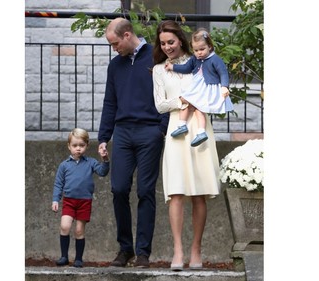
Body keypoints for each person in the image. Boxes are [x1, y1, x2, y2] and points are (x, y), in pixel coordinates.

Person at [98, 18, 169, 268]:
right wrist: (103, 137)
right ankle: (125, 249)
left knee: (145, 192)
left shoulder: (156, 57)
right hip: (123, 133)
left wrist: (161, 129)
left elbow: (170, 93)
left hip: (150, 132)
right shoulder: (114, 66)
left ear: (127, 35)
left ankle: (143, 253)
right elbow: (110, 102)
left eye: (115, 43)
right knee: (118, 189)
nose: (113, 48)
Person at [152, 20, 221, 271]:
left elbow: (213, 90)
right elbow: (160, 104)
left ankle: (196, 250)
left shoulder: (201, 61)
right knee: (177, 192)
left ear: (180, 39)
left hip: (200, 126)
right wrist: (182, 100)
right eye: (163, 43)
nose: (167, 46)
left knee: (199, 192)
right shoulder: (160, 70)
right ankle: (178, 251)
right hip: (175, 128)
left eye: (171, 41)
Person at [164, 28, 234, 147]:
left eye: (202, 49)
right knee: (186, 102)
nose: (199, 53)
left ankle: (198, 130)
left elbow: (223, 73)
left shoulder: (215, 59)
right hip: (197, 87)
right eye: (196, 50)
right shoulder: (194, 59)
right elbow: (186, 68)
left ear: (210, 47)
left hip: (207, 87)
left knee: (198, 107)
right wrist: (172, 67)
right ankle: (184, 126)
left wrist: (224, 87)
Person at [52, 128, 110, 268]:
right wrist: (55, 199)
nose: (78, 149)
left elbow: (102, 172)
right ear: (69, 146)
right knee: (65, 226)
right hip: (69, 201)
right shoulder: (64, 165)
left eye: (81, 145)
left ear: (87, 146)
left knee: (79, 230)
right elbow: (58, 183)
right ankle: (64, 256)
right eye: (75, 145)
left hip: (84, 202)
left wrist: (105, 160)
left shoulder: (90, 162)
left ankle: (78, 258)